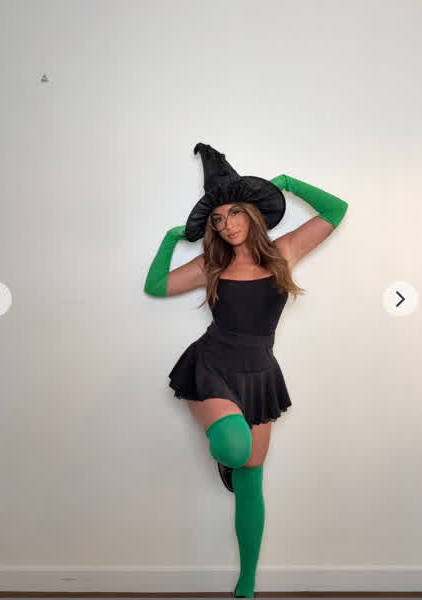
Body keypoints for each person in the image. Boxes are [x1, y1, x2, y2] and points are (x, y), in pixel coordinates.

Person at [144, 144, 348, 598]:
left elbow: (337, 209)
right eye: (217, 219)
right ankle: (226, 457)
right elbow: (156, 285)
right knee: (235, 449)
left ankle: (248, 581)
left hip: (259, 372)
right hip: (212, 364)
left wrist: (287, 183)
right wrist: (171, 239)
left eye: (234, 212)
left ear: (252, 212)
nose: (227, 225)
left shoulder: (284, 251)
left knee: (253, 476)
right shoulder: (212, 264)